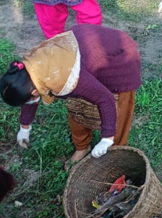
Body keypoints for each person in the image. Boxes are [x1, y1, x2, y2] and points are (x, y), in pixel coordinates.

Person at [0, 24, 142, 169]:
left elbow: (106, 99)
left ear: (34, 92)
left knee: (118, 112)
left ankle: (115, 154)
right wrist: (25, 127)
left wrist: (107, 137)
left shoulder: (68, 77)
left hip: (118, 55)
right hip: (84, 51)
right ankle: (82, 148)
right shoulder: (31, 70)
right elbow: (30, 98)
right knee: (76, 107)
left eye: (29, 99)